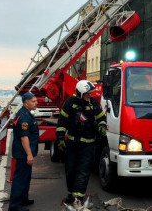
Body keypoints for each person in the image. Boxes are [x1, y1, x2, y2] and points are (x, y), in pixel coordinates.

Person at [56, 80, 106, 208]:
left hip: (88, 145)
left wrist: (102, 126)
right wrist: (60, 138)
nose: (90, 96)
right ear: (80, 93)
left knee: (83, 171)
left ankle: (79, 196)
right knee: (70, 170)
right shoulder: (70, 103)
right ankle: (71, 194)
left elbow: (101, 118)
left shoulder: (94, 103)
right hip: (72, 144)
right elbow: (62, 121)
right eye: (87, 94)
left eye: (90, 93)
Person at [9, 92, 39, 211]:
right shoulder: (25, 117)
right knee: (20, 180)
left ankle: (23, 199)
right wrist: (29, 155)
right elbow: (24, 137)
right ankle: (15, 206)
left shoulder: (26, 113)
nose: (36, 103)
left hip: (24, 153)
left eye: (36, 101)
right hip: (23, 154)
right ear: (26, 103)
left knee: (26, 178)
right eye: (33, 101)